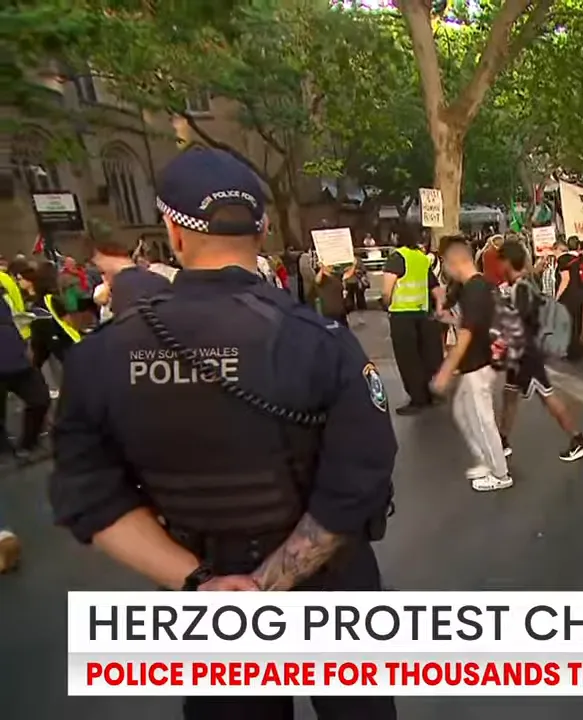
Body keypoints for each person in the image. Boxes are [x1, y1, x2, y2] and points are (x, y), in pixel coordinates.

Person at [48, 148, 398, 720]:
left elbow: (88, 495)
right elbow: (358, 482)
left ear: (172, 233)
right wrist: (265, 583)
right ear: (261, 229)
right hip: (330, 587)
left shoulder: (101, 359)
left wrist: (204, 586)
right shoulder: (322, 342)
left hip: (209, 603)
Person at [494, 240, 583, 462]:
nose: (498, 267)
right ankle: (502, 440)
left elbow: (518, 323)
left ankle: (578, 439)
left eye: (500, 262)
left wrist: (501, 344)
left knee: (547, 395)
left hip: (526, 355)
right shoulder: (523, 284)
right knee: (509, 394)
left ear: (508, 262)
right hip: (520, 354)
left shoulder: (521, 288)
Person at [431, 237, 511, 492]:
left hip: (478, 364)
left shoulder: (475, 290)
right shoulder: (479, 286)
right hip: (477, 362)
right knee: (463, 412)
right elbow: (475, 324)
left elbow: (467, 334)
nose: (444, 269)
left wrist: (444, 372)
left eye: (445, 263)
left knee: (482, 418)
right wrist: (450, 319)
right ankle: (487, 461)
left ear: (455, 262)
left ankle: (500, 473)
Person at [381, 231, 444, 415]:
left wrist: (386, 304)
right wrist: (439, 309)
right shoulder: (421, 258)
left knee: (408, 359)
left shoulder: (396, 257)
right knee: (424, 356)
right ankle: (428, 394)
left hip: (402, 315)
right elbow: (437, 289)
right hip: (423, 313)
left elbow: (387, 290)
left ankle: (417, 399)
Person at [0, 280, 51, 464]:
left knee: (40, 399)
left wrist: (26, 342)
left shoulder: (3, 288)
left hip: (16, 356)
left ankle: (28, 444)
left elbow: (13, 319)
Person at [555, 237, 583, 360]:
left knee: (568, 323)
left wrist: (557, 297)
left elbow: (565, 280)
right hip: (579, 293)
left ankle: (571, 350)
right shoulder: (578, 258)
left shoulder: (563, 260)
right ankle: (577, 348)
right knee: (577, 321)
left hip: (568, 295)